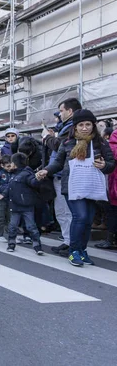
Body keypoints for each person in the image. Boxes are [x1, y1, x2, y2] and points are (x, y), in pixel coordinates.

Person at [37, 109, 115, 266]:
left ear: (93, 125)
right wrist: (46, 170)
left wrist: (104, 165)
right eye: (81, 125)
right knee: (80, 217)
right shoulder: (67, 142)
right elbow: (58, 162)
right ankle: (73, 251)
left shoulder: (101, 143)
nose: (85, 128)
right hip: (72, 185)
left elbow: (111, 164)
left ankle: (82, 250)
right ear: (75, 127)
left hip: (92, 185)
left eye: (88, 124)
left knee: (87, 220)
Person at [43, 98, 81, 256]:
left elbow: (59, 146)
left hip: (66, 174)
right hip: (60, 174)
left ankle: (73, 243)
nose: (60, 114)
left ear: (70, 111)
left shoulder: (71, 127)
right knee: (62, 210)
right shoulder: (65, 127)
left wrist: (46, 137)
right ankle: (68, 241)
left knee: (69, 211)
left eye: (61, 111)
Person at [6, 153, 44, 255]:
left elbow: (33, 182)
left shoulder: (26, 173)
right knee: (13, 226)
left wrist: (38, 179)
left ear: (15, 163)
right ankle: (11, 243)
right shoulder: (12, 174)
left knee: (31, 226)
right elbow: (8, 189)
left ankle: (37, 245)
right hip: (15, 205)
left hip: (27, 206)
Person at [95, 128, 117, 249]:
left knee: (112, 211)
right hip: (114, 181)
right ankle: (111, 239)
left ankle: (110, 240)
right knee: (112, 210)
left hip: (113, 181)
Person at [0, 155, 14, 242]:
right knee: (1, 217)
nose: (9, 168)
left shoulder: (12, 173)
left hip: (10, 198)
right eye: (7, 166)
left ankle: (10, 234)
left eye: (10, 166)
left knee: (10, 217)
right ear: (2, 165)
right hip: (1, 198)